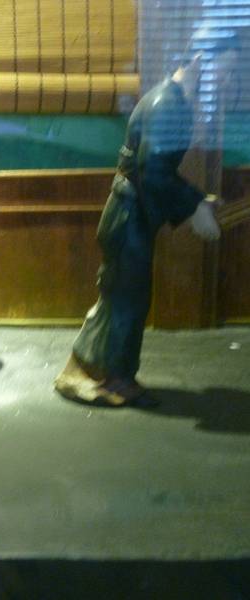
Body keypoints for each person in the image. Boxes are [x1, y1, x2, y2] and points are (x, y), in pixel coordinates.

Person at [54, 27, 241, 407]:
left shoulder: (176, 102)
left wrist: (196, 201)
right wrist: (193, 208)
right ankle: (105, 376)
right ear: (200, 60)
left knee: (125, 299)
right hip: (128, 219)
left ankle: (109, 373)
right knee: (125, 301)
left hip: (133, 217)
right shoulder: (166, 105)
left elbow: (157, 172)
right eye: (225, 70)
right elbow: (153, 171)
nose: (227, 81)